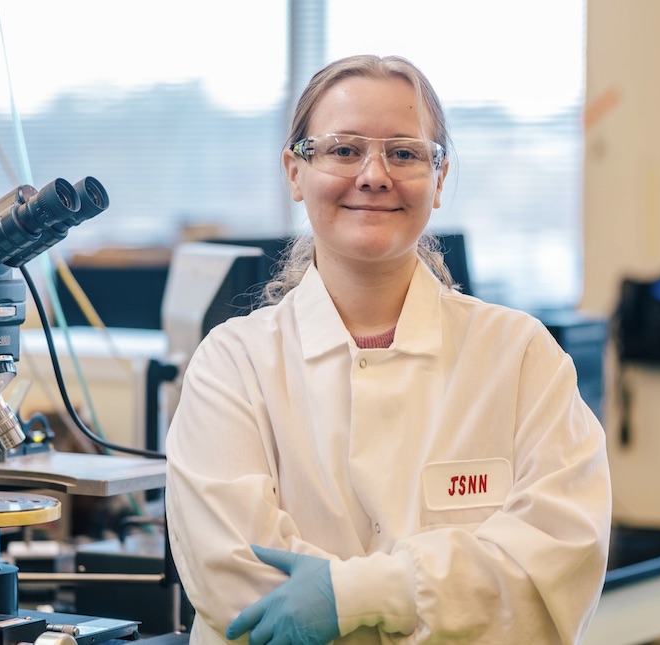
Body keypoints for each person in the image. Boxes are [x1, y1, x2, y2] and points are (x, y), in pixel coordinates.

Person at [164, 54, 611, 645]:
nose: (374, 175)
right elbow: (240, 589)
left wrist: (354, 597)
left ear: (440, 178)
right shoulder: (232, 364)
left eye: (403, 153)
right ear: (295, 172)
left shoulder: (521, 356)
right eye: (343, 150)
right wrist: (442, 599)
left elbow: (553, 569)